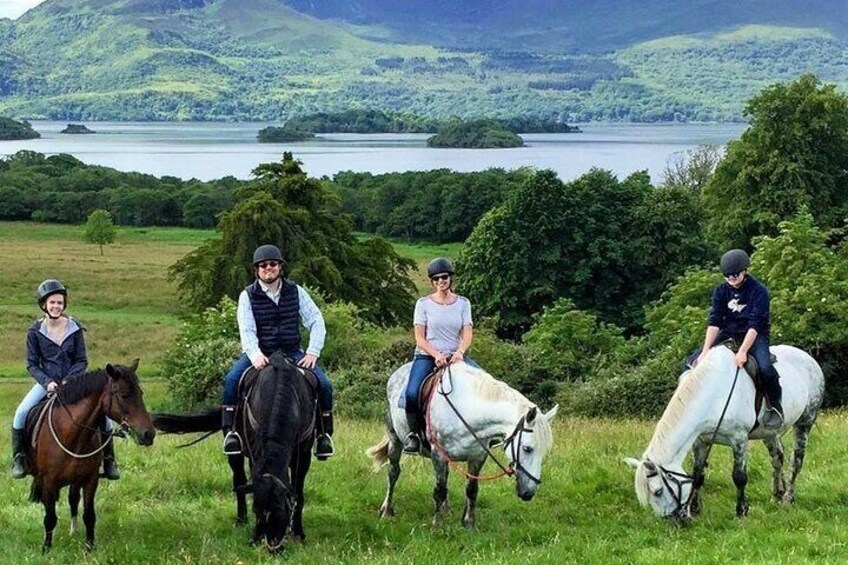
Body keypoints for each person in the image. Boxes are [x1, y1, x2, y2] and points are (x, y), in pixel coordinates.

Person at [221, 244, 335, 460]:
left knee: (325, 385)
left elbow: (316, 321)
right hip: (261, 351)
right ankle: (231, 433)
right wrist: (255, 355)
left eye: (273, 264)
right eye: (263, 266)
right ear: (257, 270)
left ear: (280, 267)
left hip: (292, 351)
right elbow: (246, 329)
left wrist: (313, 352)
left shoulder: (296, 291)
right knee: (231, 380)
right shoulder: (247, 296)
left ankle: (323, 436)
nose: (268, 268)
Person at [11, 279, 120, 480]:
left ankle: (109, 460)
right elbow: (32, 364)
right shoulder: (34, 332)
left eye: (60, 303)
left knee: (103, 416)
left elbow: (81, 360)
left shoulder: (75, 329)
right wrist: (47, 382)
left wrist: (70, 380)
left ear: (64, 305)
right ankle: (19, 457)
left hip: (74, 383)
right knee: (21, 413)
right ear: (44, 304)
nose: (56, 306)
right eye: (52, 302)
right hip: (47, 383)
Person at [690, 249, 784, 429]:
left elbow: (755, 325)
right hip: (730, 332)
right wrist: (704, 351)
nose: (731, 278)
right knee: (691, 360)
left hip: (755, 335)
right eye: (727, 275)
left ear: (745, 271)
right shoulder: (720, 291)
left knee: (765, 368)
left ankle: (775, 407)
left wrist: (742, 352)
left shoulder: (759, 291)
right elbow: (715, 322)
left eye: (735, 274)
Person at [403, 257, 480, 454]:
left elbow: (467, 333)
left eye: (444, 277)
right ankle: (414, 435)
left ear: (450, 278)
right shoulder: (423, 304)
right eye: (436, 279)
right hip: (428, 356)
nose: (440, 281)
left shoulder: (463, 303)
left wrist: (460, 352)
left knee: (485, 384)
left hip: (456, 357)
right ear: (432, 282)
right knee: (412, 394)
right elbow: (419, 337)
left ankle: (481, 434)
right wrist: (436, 354)